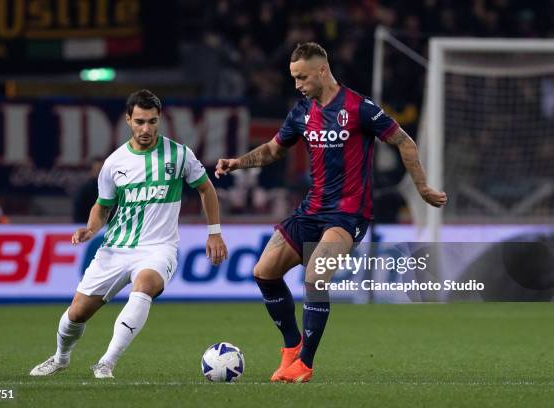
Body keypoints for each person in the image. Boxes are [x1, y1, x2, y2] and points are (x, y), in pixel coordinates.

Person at [215, 42, 446, 383]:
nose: (297, 85)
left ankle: (304, 364)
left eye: (302, 77)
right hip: (311, 210)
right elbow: (274, 150)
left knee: (314, 278)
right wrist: (239, 162)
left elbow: (404, 141)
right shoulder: (302, 111)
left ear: (322, 71)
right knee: (264, 272)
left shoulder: (359, 107)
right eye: (294, 78)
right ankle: (291, 347)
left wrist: (422, 187)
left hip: (347, 215)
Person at [30, 89, 228, 379]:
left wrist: (214, 233)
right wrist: (90, 228)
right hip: (116, 247)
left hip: (158, 247)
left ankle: (106, 362)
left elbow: (205, 188)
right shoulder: (114, 163)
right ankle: (61, 358)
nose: (146, 128)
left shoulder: (179, 154)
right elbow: (102, 206)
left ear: (159, 120)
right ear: (128, 120)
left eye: (151, 121)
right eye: (139, 122)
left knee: (145, 284)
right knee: (77, 313)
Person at [72, 157, 105, 224]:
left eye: (103, 170)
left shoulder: (114, 190)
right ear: (91, 172)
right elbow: (78, 216)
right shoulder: (83, 191)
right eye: (98, 170)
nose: (101, 173)